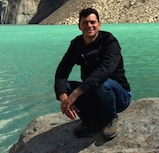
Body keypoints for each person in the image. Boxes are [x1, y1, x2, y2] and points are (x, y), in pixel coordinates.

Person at [54, 7, 131, 140]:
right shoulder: (77, 44)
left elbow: (105, 71)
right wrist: (64, 100)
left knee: (102, 84)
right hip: (93, 94)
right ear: (79, 26)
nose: (89, 26)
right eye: (85, 23)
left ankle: (110, 118)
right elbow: (62, 70)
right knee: (65, 87)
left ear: (99, 25)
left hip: (118, 96)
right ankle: (91, 120)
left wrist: (76, 93)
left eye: (92, 22)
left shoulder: (109, 42)